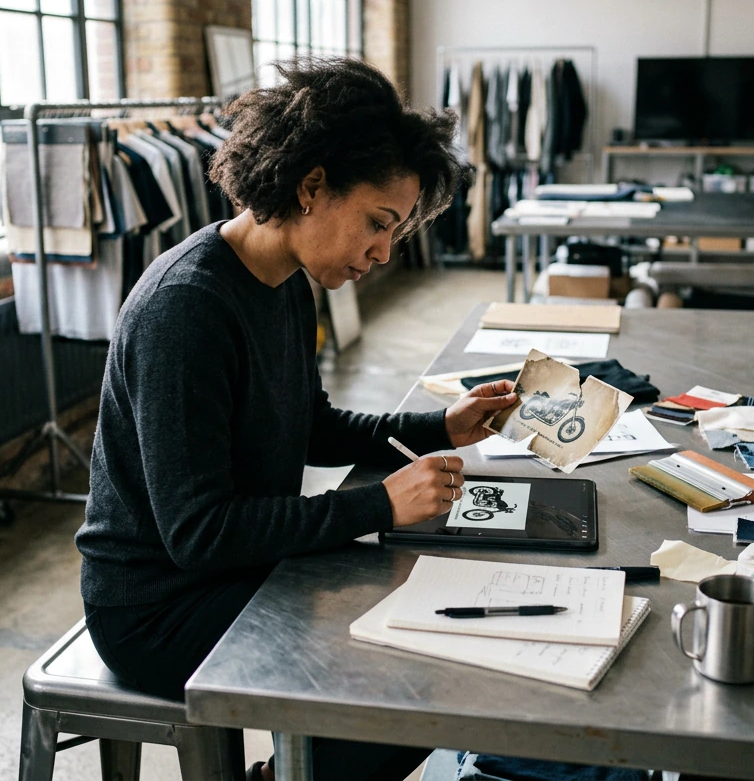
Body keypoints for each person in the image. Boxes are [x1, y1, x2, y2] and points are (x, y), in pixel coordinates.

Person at [75, 57, 517, 781]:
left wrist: (444, 427)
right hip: (158, 607)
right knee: (406, 676)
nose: (382, 252)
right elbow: (200, 533)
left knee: (418, 625)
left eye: (395, 231)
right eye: (377, 224)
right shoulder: (187, 309)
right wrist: (378, 503)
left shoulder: (284, 284)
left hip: (232, 569)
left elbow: (311, 425)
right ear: (312, 186)